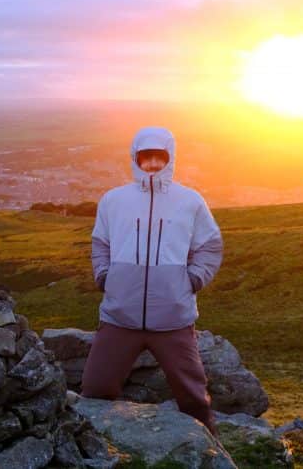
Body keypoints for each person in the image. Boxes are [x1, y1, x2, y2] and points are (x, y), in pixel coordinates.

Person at [80, 126, 224, 437]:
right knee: (95, 389)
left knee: (193, 397)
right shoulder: (113, 200)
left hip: (173, 319)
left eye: (160, 157)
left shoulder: (190, 201)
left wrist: (193, 280)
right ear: (135, 159)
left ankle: (211, 448)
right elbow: (100, 243)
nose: (153, 164)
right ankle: (89, 448)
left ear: (170, 160)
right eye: (146, 157)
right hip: (120, 316)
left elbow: (210, 245)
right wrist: (105, 276)